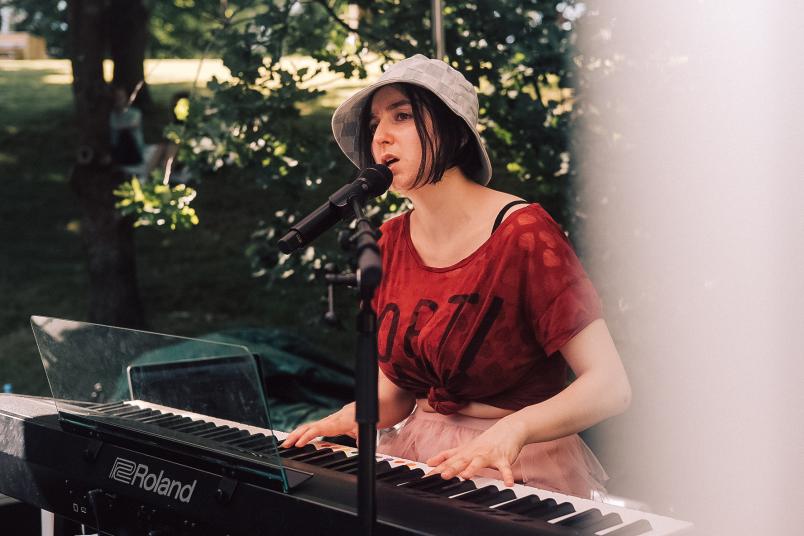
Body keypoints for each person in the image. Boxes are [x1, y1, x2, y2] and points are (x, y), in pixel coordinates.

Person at [282, 55, 631, 499]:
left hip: (516, 470)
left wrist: (515, 428)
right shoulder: (387, 242)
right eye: (374, 124)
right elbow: (397, 395)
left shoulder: (523, 233)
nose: (381, 136)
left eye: (403, 116)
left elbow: (609, 387)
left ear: (453, 132)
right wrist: (348, 416)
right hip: (421, 461)